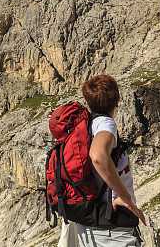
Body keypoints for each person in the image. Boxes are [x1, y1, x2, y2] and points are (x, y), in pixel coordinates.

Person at [61, 75, 145, 247]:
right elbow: (98, 155)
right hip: (111, 228)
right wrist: (126, 198)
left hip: (89, 225)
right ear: (117, 100)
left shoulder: (84, 126)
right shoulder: (106, 124)